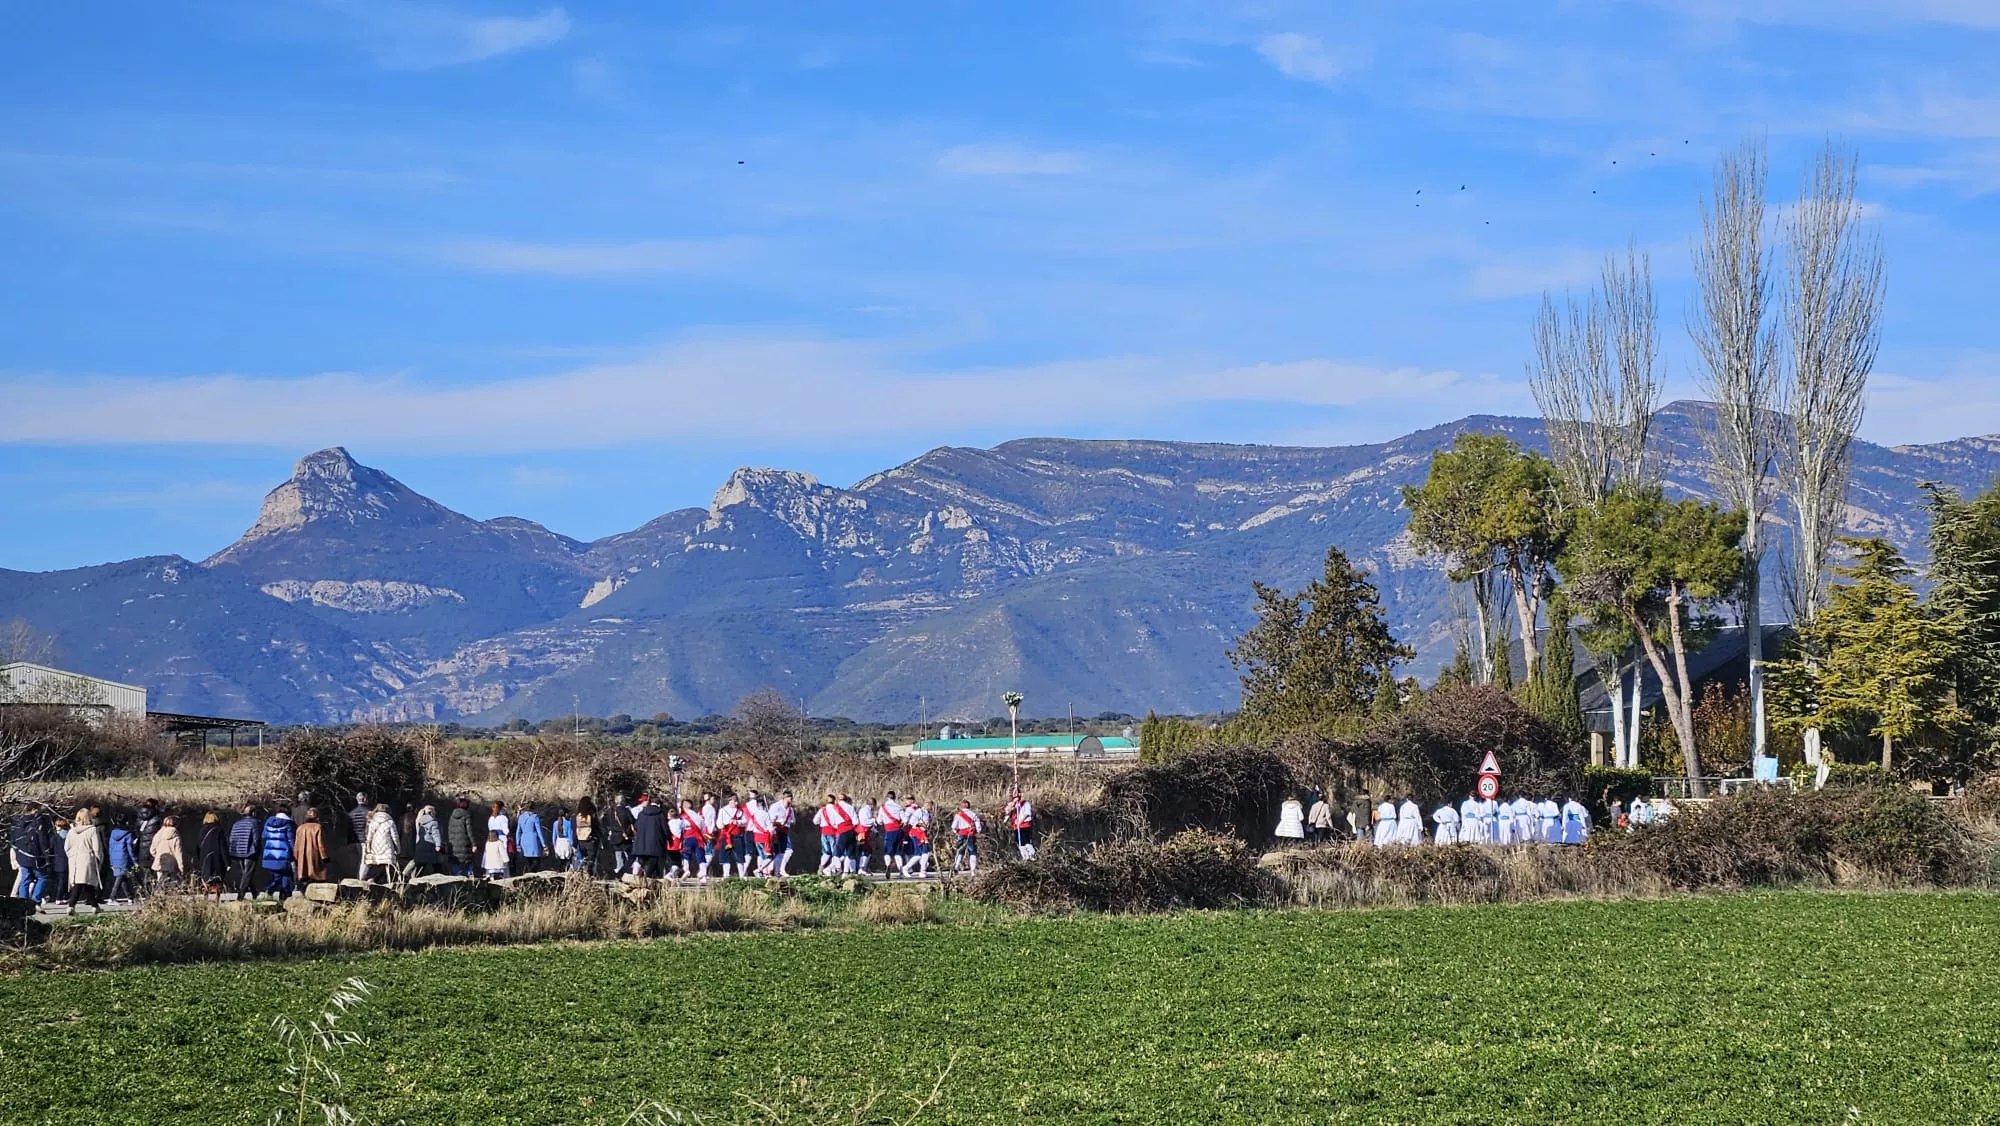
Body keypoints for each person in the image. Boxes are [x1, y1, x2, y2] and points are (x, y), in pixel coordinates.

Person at [9, 802, 54, 904]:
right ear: (35, 810)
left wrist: (18, 852)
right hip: (35, 856)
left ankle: (22, 903)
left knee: (25, 878)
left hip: (22, 855)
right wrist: (47, 855)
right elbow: (43, 840)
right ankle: (35, 901)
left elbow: (13, 840)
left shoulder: (18, 822)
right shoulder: (38, 821)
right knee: (43, 877)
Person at [64, 808, 106, 913]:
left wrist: (71, 855)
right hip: (87, 858)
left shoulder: (71, 831)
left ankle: (94, 906)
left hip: (74, 859)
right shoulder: (92, 830)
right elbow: (97, 847)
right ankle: (71, 905)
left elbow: (66, 847)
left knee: (84, 883)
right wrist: (98, 859)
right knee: (83, 882)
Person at [260, 806, 296, 901]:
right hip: (284, 855)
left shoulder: (268, 822)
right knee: (285, 875)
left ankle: (270, 893)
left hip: (269, 854)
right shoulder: (288, 824)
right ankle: (281, 895)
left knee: (278, 876)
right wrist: (295, 855)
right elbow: (291, 841)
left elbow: (264, 836)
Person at [228, 804, 262, 899]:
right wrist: (258, 850)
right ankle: (240, 895)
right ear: (253, 813)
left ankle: (254, 893)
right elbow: (256, 838)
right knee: (248, 873)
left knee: (246, 873)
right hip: (250, 852)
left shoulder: (237, 824)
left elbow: (232, 838)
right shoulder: (255, 823)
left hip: (238, 851)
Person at [630, 794, 668, 879]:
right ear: (659, 804)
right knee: (652, 860)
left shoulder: (641, 813)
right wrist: (669, 838)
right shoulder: (660, 814)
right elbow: (665, 828)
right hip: (655, 842)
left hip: (641, 841)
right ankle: (647, 876)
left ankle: (636, 869)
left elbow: (636, 827)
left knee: (641, 858)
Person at [363, 804, 401, 885]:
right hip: (387, 847)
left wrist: (369, 849)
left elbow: (369, 837)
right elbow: (395, 837)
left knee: (377, 865)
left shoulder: (373, 821)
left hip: (375, 847)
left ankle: (372, 881)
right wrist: (398, 849)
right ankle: (387, 884)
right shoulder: (390, 822)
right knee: (386, 866)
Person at [108, 814, 140, 903]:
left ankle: (129, 897)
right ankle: (112, 897)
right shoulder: (128, 834)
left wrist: (111, 860)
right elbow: (130, 849)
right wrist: (135, 860)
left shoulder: (112, 833)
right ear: (126, 822)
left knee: (122, 878)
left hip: (114, 858)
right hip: (124, 858)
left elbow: (110, 847)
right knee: (120, 877)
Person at [149, 814, 185, 890]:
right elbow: (178, 853)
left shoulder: (158, 834)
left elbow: (152, 850)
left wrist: (158, 856)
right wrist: (181, 866)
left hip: (160, 862)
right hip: (172, 864)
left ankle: (158, 898)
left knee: (160, 882)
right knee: (174, 884)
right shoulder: (176, 837)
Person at [294, 809, 328, 886]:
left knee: (304, 875)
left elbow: (296, 845)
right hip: (314, 854)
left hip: (302, 855)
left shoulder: (300, 828)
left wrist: (295, 857)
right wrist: (324, 857)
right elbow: (320, 844)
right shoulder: (318, 827)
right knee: (317, 875)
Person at [446, 798, 479, 877]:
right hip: (465, 845)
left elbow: (449, 831)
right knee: (468, 863)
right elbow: (469, 831)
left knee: (456, 864)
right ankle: (471, 881)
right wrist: (474, 844)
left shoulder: (452, 816)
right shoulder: (466, 815)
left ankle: (457, 880)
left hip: (454, 845)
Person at [197, 811, 227, 898]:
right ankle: (217, 898)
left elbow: (198, 846)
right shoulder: (218, 830)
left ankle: (205, 895)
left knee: (206, 877)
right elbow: (223, 846)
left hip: (205, 857)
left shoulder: (201, 830)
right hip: (217, 857)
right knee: (218, 878)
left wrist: (199, 859)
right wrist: (227, 862)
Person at [902, 799, 934, 878]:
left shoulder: (928, 814)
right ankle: (910, 869)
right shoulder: (919, 811)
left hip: (922, 833)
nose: (931, 808)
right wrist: (921, 824)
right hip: (917, 833)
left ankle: (921, 870)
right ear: (927, 805)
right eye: (930, 806)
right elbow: (912, 822)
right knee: (923, 853)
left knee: (921, 853)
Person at [515, 804, 548, 874]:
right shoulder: (535, 817)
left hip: (524, 840)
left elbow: (518, 831)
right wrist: (544, 844)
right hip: (533, 841)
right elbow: (539, 831)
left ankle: (528, 873)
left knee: (528, 860)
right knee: (536, 861)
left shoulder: (521, 817)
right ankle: (530, 874)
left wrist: (517, 843)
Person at [951, 800, 982, 873]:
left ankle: (956, 867)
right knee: (972, 852)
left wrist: (956, 832)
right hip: (970, 834)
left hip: (961, 834)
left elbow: (953, 826)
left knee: (960, 851)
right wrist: (977, 831)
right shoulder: (973, 814)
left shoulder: (958, 815)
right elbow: (978, 826)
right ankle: (973, 870)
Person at [413, 804, 445, 875]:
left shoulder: (418, 821)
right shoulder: (434, 822)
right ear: (432, 812)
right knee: (437, 866)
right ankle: (441, 882)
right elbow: (436, 834)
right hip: (431, 848)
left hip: (420, 847)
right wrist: (438, 845)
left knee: (420, 867)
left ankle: (415, 882)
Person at [880, 791, 907, 877]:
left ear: (887, 797)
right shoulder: (898, 807)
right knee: (897, 852)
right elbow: (905, 820)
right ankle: (901, 871)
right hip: (899, 830)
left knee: (887, 851)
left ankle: (888, 864)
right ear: (895, 798)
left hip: (889, 830)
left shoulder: (883, 808)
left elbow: (879, 821)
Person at [771, 791, 796, 877]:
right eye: (790, 798)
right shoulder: (776, 807)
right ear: (785, 798)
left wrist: (788, 821)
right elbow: (770, 820)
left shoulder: (790, 809)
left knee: (784, 852)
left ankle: (778, 870)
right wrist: (779, 822)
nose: (791, 800)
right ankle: (776, 870)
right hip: (776, 830)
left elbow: (793, 820)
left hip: (785, 831)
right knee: (779, 852)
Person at [1006, 792, 1036, 860]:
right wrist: (1013, 804)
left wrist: (1020, 821)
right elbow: (1007, 811)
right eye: (1014, 793)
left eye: (1016, 793)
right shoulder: (1012, 804)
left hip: (1025, 825)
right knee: (1020, 843)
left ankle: (1032, 857)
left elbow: (1027, 813)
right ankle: (1025, 858)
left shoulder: (1025, 803)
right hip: (1016, 827)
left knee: (1027, 842)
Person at [573, 797, 597, 875]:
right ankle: (589, 873)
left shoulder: (577, 816)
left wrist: (575, 843)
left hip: (580, 840)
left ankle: (581, 873)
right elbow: (595, 828)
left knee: (583, 859)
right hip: (590, 840)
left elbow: (574, 830)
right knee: (591, 859)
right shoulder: (591, 815)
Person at [551, 806, 578, 871]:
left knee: (560, 862)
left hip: (558, 843)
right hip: (566, 843)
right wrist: (573, 846)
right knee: (568, 862)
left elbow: (554, 836)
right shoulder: (568, 823)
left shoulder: (555, 823)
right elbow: (570, 836)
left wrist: (554, 846)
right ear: (566, 814)